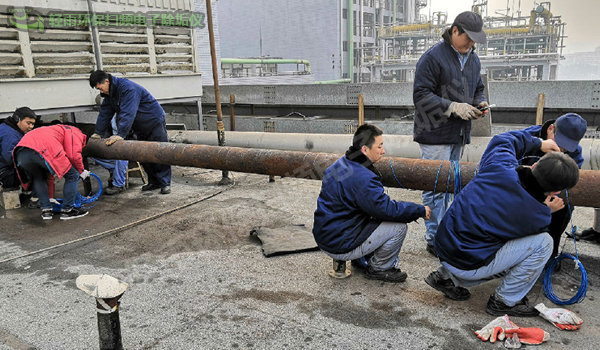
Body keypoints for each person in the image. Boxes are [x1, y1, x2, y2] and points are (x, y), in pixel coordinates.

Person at [424, 130, 579, 317]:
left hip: (443, 246)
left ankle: (444, 277)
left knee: (481, 232)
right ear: (555, 193)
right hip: (466, 263)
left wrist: (539, 143)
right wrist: (549, 210)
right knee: (543, 243)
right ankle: (504, 301)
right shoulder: (538, 214)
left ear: (535, 165)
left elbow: (502, 139)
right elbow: (526, 227)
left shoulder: (498, 165)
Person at [313, 124, 431, 282]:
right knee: (398, 227)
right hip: (339, 243)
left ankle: (359, 258)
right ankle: (379, 268)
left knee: (370, 215)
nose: (383, 151)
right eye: (380, 146)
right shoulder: (364, 178)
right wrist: (419, 210)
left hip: (325, 236)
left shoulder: (339, 165)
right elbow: (388, 210)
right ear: (364, 150)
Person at [412, 11, 488, 257]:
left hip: (458, 133)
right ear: (454, 31)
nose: (471, 43)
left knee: (451, 186)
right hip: (434, 133)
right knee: (435, 187)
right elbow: (420, 96)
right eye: (468, 38)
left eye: (475, 40)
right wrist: (453, 107)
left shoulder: (473, 59)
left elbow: (478, 87)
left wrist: (481, 102)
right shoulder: (433, 57)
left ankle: (447, 232)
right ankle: (435, 238)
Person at [88, 70, 171, 194]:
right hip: (138, 126)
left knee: (160, 152)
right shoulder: (110, 94)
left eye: (100, 88)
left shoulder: (128, 89)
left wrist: (120, 135)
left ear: (106, 81)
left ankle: (165, 183)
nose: (101, 91)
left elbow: (128, 113)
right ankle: (154, 182)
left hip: (153, 122)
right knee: (143, 154)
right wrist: (98, 133)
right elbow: (104, 114)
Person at [520, 113, 587, 258]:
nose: (561, 149)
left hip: (550, 191)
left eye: (566, 148)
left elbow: (569, 178)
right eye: (560, 143)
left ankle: (551, 250)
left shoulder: (575, 151)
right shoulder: (526, 137)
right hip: (522, 189)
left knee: (564, 204)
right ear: (551, 129)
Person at [14, 124, 90, 220]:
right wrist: (81, 171)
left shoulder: (54, 130)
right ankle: (68, 211)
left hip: (21, 154)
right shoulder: (75, 132)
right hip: (43, 150)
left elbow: (49, 174)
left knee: (39, 177)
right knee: (73, 175)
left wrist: (50, 198)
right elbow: (73, 155)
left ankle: (46, 210)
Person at [91, 115, 129, 195]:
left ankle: (119, 184)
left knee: (120, 155)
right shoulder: (109, 114)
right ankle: (114, 170)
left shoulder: (126, 113)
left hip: (125, 140)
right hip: (112, 140)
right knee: (92, 152)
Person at [0, 107, 36, 188]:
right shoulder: (10, 136)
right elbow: (11, 158)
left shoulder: (6, 127)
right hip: (3, 175)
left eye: (33, 124)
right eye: (28, 123)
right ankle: (33, 198)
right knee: (37, 171)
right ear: (17, 119)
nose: (31, 127)